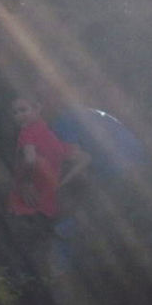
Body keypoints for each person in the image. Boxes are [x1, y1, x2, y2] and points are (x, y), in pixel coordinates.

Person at [5, 96, 90, 277]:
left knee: (31, 257)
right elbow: (83, 158)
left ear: (37, 109)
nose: (20, 115)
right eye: (15, 112)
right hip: (41, 205)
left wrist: (29, 181)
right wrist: (60, 182)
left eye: (23, 110)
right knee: (39, 255)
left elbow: (31, 158)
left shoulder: (32, 133)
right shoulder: (40, 133)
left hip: (33, 204)